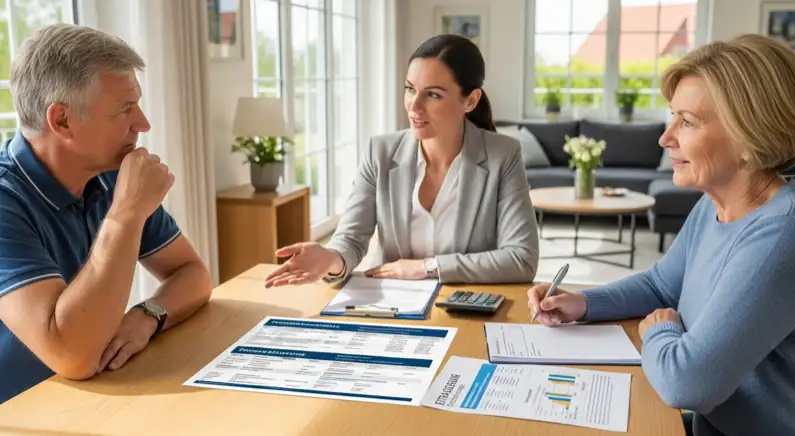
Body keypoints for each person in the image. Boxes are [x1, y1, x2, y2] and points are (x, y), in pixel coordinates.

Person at [527, 34, 795, 436]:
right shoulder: (714, 204)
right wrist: (583, 303)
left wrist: (659, 330)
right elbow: (660, 285)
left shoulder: (783, 232)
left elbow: (688, 383)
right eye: (672, 117)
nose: (665, 137)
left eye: (686, 122)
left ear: (750, 136)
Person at [0, 24, 213, 404]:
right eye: (125, 109)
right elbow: (73, 356)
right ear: (62, 120)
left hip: (93, 398)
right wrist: (126, 215)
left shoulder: (110, 174)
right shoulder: (6, 201)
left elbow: (192, 274)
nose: (143, 124)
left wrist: (149, 315)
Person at [264, 34, 539, 287]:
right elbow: (351, 238)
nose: (413, 106)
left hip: (464, 306)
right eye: (410, 89)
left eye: (433, 94)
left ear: (470, 100)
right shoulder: (380, 152)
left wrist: (427, 267)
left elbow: (522, 258)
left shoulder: (503, 156)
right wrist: (332, 259)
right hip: (391, 304)